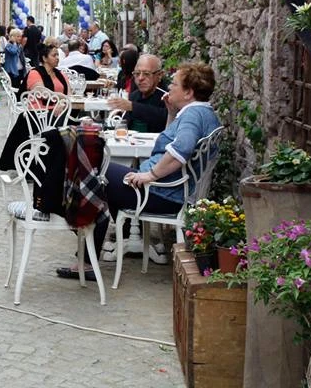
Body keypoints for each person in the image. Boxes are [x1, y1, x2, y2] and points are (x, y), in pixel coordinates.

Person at [72, 62, 221, 271]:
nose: (169, 87)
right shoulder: (202, 112)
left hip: (161, 194)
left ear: (188, 92)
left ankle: (86, 256)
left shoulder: (193, 116)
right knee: (97, 175)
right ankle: (89, 255)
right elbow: (171, 142)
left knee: (93, 174)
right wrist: (171, 113)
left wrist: (150, 175)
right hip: (169, 190)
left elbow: (181, 150)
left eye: (174, 84)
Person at [106, 53, 168, 133]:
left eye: (146, 74)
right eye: (137, 74)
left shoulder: (167, 97)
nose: (140, 78)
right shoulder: (134, 96)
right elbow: (125, 126)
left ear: (159, 75)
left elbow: (164, 117)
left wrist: (132, 106)